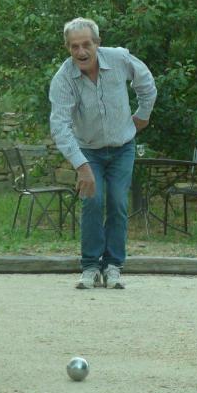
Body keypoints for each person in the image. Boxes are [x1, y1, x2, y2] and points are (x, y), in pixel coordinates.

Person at [49, 17, 157, 289]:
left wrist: (142, 115)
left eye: (86, 44)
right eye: (74, 47)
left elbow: (146, 82)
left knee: (118, 203)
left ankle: (113, 266)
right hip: (89, 151)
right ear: (67, 48)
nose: (81, 52)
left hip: (122, 148)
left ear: (97, 43)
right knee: (92, 202)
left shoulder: (119, 59)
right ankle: (89, 266)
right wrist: (81, 165)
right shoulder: (63, 79)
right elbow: (59, 126)